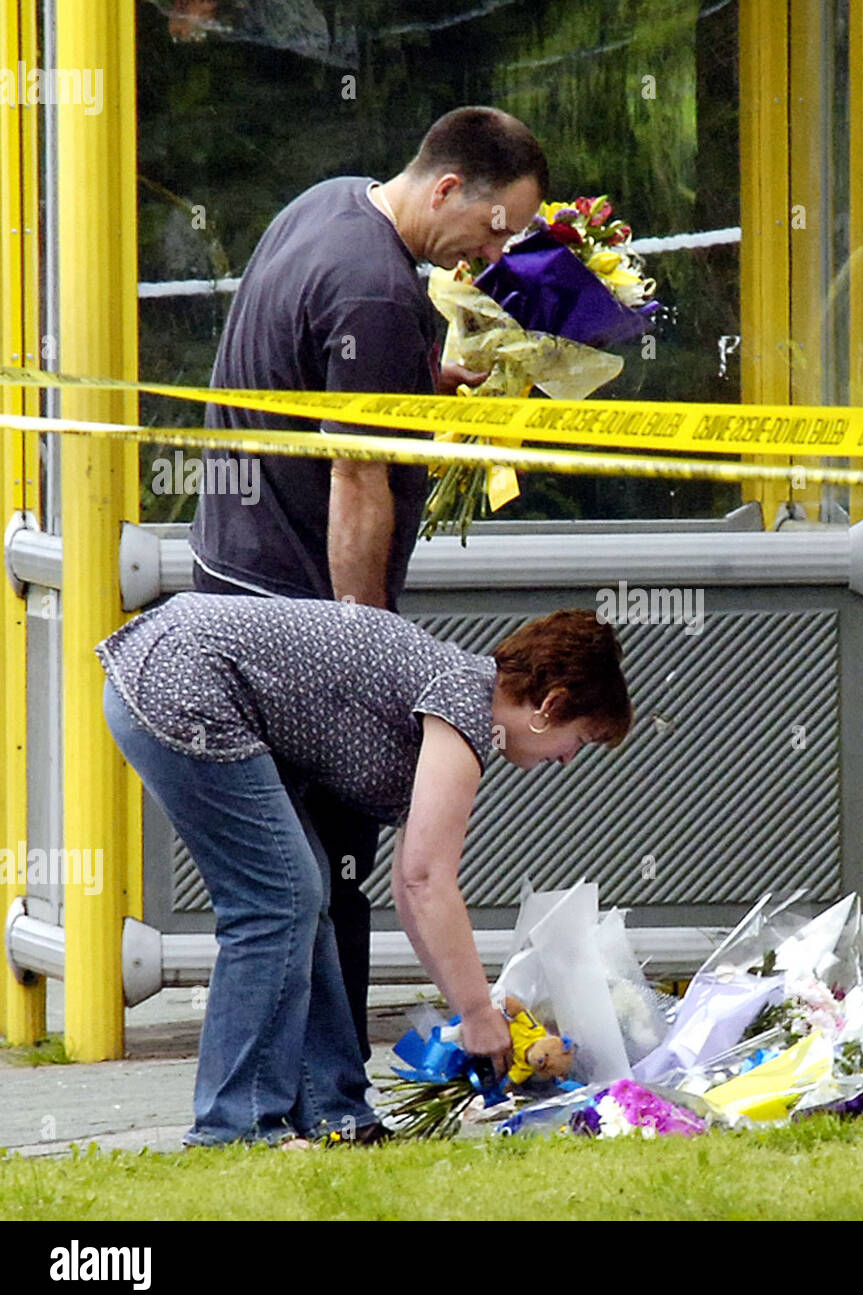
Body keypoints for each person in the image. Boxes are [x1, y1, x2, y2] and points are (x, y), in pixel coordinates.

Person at [187, 106, 550, 1058]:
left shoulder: (329, 205)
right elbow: (356, 475)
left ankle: (296, 1095)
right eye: (495, 228)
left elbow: (318, 386)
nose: (494, 252)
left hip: (231, 575)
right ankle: (331, 1095)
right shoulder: (379, 292)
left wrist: (421, 391)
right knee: (322, 881)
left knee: (287, 880)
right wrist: (370, 643)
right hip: (295, 608)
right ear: (447, 189)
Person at [96, 594, 631, 1148]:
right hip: (183, 680)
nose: (567, 759)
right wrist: (476, 1013)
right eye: (580, 740)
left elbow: (410, 886)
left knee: (303, 898)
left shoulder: (452, 691)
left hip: (174, 666)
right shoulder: (463, 702)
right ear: (550, 705)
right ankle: (236, 1128)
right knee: (279, 900)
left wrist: (473, 1008)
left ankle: (338, 1115)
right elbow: (426, 882)